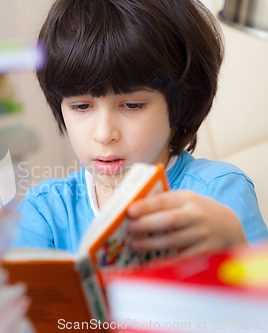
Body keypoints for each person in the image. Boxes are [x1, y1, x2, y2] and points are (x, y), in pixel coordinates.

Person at [13, 0, 268, 257]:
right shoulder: (44, 210)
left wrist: (234, 242)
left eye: (132, 105)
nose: (104, 134)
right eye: (81, 107)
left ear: (180, 102)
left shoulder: (218, 192)